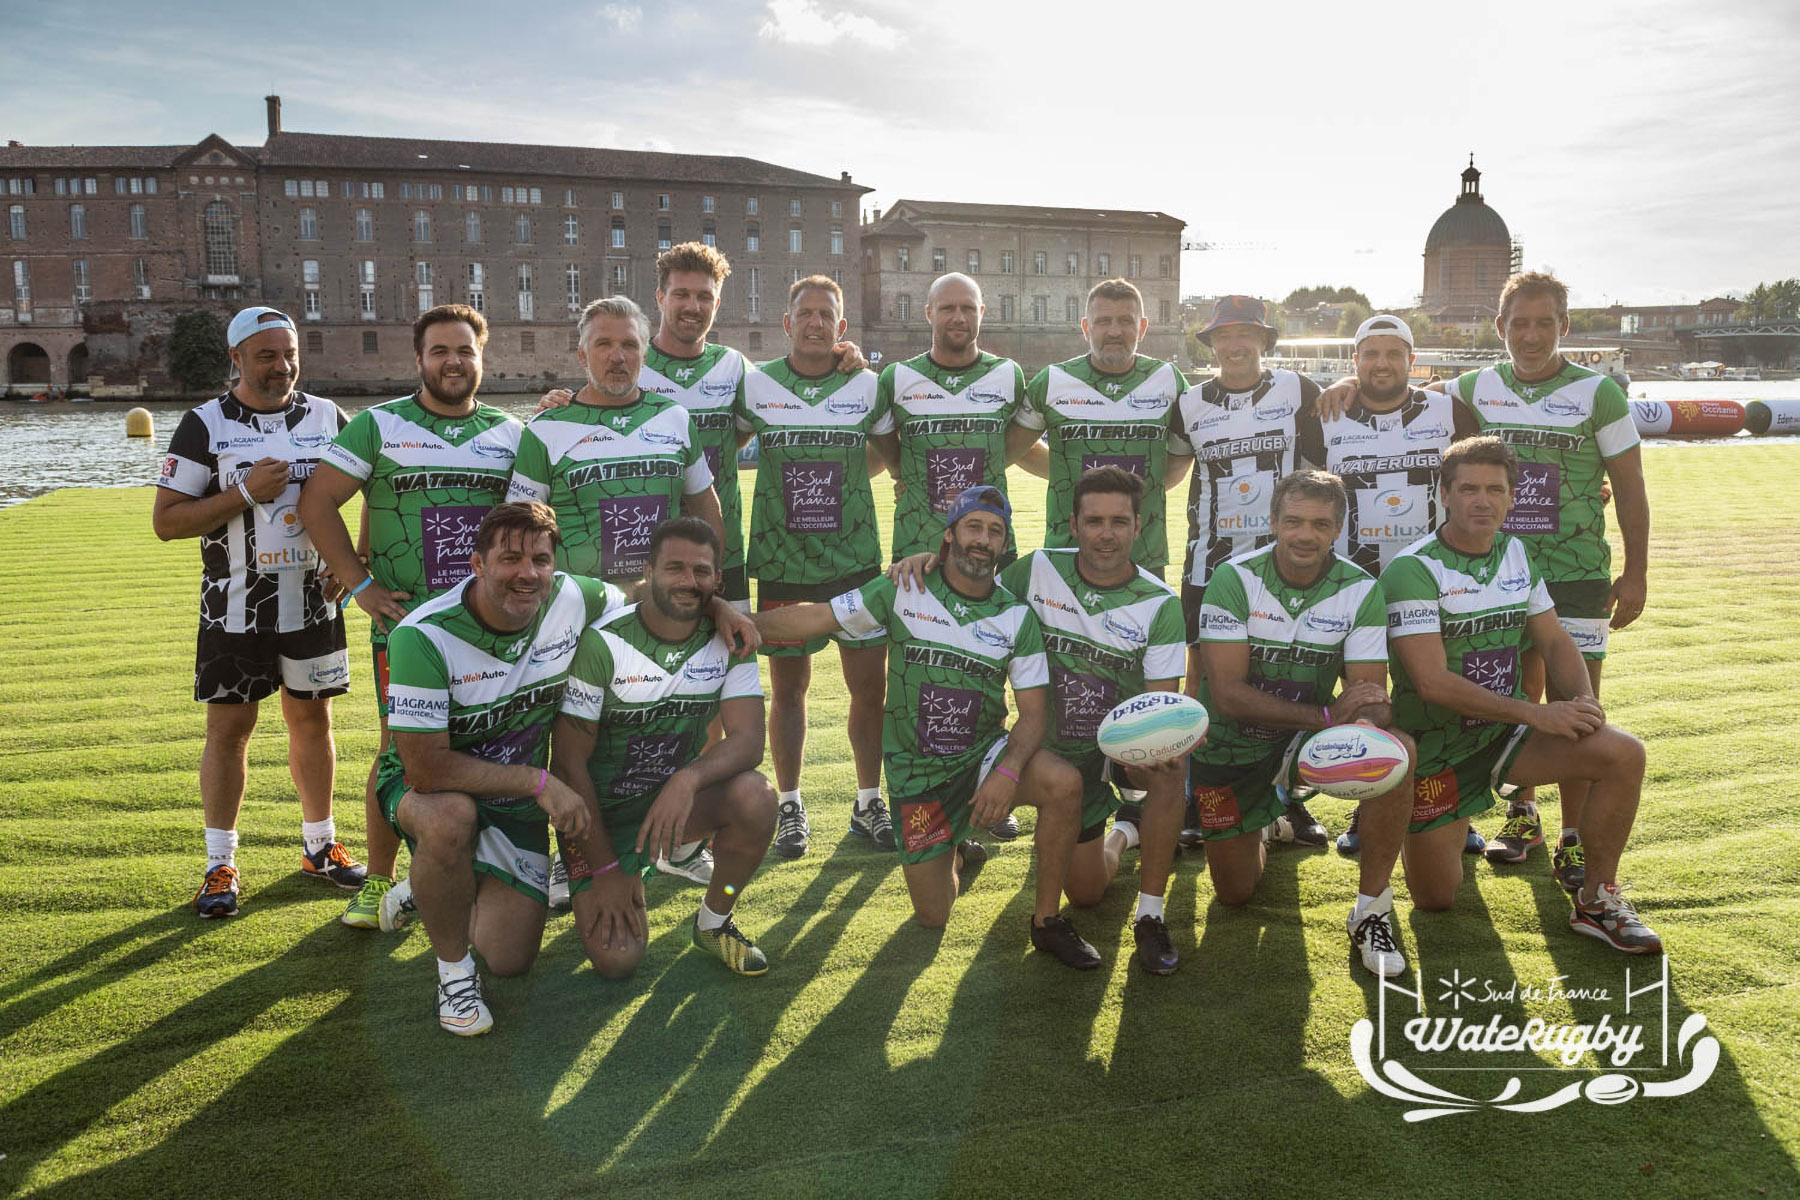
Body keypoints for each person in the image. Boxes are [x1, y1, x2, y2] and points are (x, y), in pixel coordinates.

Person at [1319, 275, 1648, 888]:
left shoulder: (1598, 392)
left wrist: (1637, 569)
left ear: (1563, 327)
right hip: (1480, 561)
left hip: (1572, 570)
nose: (1530, 334)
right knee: (1492, 684)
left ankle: (1573, 840)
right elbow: (1404, 390)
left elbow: (1630, 484)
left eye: (1544, 323)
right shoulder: (1474, 387)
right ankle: (1518, 812)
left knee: (1575, 704)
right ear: (1501, 329)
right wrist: (1349, 384)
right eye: (1518, 323)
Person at [755, 487, 1103, 968]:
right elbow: (819, 617)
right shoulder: (904, 588)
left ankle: (1046, 922)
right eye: (974, 527)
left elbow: (1036, 713)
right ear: (950, 536)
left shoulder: (1015, 616)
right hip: (918, 775)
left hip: (982, 757)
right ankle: (955, 849)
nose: (983, 540)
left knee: (1064, 784)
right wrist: (743, 622)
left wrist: (1007, 772)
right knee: (934, 915)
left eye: (995, 531)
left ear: (1004, 546)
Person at [892, 467, 1188, 973]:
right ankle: (959, 847)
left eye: (1120, 521)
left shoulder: (1160, 604)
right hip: (1031, 750)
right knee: (932, 913)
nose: (1106, 533)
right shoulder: (1037, 570)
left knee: (1165, 775)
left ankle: (1147, 906)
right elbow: (970, 583)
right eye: (1094, 521)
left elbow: (1160, 714)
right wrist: (930, 560)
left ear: (1140, 526)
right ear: (1072, 525)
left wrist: (1145, 759)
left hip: (1105, 757)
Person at [1380, 437, 1660, 954]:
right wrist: (1538, 713)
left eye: (1494, 489)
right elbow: (1432, 683)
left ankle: (1598, 900)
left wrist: (1582, 704)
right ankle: (1443, 822)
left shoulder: (1516, 552)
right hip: (1437, 749)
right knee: (1435, 899)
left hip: (1507, 739)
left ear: (1513, 498)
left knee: (1623, 752)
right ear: (1443, 494)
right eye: (1467, 489)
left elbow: (1554, 640)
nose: (1481, 500)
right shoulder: (1412, 569)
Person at [299, 304, 522, 929]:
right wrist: (358, 583)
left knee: (489, 742)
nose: (454, 362)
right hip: (407, 628)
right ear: (418, 359)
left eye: (466, 351)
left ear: (483, 358)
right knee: (397, 749)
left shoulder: (511, 433)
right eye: (440, 352)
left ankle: (481, 870)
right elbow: (317, 501)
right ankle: (377, 883)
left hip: (490, 626)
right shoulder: (378, 425)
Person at [376, 503, 626, 1034]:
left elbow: (646, 604)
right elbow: (424, 767)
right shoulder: (422, 636)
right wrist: (539, 781)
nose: (528, 573)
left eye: (540, 559)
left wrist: (721, 611)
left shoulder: (575, 596)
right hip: (426, 789)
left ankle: (433, 889)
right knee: (449, 820)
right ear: (477, 565)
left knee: (510, 959)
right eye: (510, 558)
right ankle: (453, 974)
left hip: (515, 803)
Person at [153, 306, 363, 918]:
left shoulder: (327, 418)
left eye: (289, 353)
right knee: (228, 732)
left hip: (313, 606)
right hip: (233, 608)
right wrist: (244, 493)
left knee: (314, 724)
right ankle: (220, 864)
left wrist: (353, 560)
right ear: (237, 359)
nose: (282, 366)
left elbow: (375, 489)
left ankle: (320, 847)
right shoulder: (204, 424)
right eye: (267, 355)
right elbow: (166, 522)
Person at [1189, 471, 1413, 965]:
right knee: (1235, 894)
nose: (1305, 535)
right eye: (1293, 521)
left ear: (1338, 529)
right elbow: (1226, 694)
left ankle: (1371, 912)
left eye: (1319, 524)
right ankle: (1269, 818)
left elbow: (1370, 694)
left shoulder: (1361, 589)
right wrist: (1331, 713)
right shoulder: (1234, 579)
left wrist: (1372, 720)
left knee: (1398, 750)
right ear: (1272, 522)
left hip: (1304, 745)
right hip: (1230, 746)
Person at [549, 518, 777, 979]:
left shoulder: (730, 640)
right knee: (618, 962)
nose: (688, 581)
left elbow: (750, 740)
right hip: (599, 817)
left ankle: (714, 923)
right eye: (674, 568)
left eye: (701, 571)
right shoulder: (603, 642)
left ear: (717, 580)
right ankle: (593, 874)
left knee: (757, 797)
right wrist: (608, 868)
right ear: (649, 570)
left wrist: (687, 778)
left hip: (669, 805)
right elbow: (568, 764)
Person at [1295, 313, 1481, 858]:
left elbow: (1478, 481)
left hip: (1436, 578)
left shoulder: (1449, 411)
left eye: (1393, 353)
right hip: (1357, 582)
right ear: (1354, 361)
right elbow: (1307, 496)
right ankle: (1367, 800)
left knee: (1438, 696)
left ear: (1411, 359)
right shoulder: (1325, 417)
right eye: (1370, 354)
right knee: (1368, 695)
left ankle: (1453, 809)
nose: (1381, 364)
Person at [738, 275, 891, 858]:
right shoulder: (756, 388)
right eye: (805, 313)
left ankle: (868, 801)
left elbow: (890, 456)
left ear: (842, 327)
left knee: (867, 690)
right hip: (782, 562)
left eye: (827, 314)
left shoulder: (867, 386)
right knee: (790, 691)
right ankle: (791, 805)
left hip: (855, 561)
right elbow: (720, 443)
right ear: (787, 322)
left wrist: (851, 486)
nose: (816, 323)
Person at [1170, 295, 1327, 849]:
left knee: (1285, 677)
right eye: (1222, 336)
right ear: (1210, 344)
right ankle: (1196, 794)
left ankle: (1288, 798)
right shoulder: (1187, 403)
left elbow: (1325, 469)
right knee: (1202, 682)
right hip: (1208, 562)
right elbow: (1166, 470)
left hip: (1283, 563)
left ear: (1265, 341)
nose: (1234, 345)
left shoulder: (1298, 391)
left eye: (1247, 335)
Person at [506, 296, 725, 586]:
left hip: (665, 605)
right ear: (583, 355)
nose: (617, 356)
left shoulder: (675, 418)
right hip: (582, 610)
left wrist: (710, 579)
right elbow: (519, 531)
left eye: (629, 345)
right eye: (603, 344)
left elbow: (705, 507)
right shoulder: (545, 428)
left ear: (644, 355)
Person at [1009, 279, 1191, 575]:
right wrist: (1070, 476)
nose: (1115, 331)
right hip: (1067, 555)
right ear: (1085, 327)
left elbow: (1182, 456)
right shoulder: (1052, 380)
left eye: (1126, 321)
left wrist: (1137, 488)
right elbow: (1013, 449)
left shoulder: (1168, 379)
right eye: (1103, 321)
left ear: (1142, 328)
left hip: (1143, 556)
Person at [870, 272, 1027, 564]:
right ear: (929, 314)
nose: (959, 317)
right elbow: (884, 447)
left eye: (968, 308)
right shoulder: (897, 378)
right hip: (916, 545)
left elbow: (1017, 448)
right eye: (947, 308)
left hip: (991, 547)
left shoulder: (1008, 375)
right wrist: (899, 473)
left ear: (981, 312)